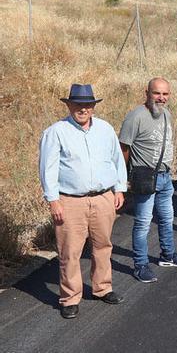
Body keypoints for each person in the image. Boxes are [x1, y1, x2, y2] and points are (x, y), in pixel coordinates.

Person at [38, 84, 127, 319]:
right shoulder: (56, 132)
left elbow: (117, 160)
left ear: (94, 106)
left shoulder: (105, 129)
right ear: (69, 105)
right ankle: (70, 297)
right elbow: (48, 169)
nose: (83, 109)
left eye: (88, 104)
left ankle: (102, 288)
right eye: (78, 104)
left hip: (103, 198)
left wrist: (119, 188)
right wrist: (53, 200)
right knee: (70, 251)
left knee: (103, 246)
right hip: (70, 201)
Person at [119, 78, 177, 283]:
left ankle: (168, 255)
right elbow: (123, 148)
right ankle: (140, 264)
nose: (161, 98)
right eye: (156, 93)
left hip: (165, 176)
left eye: (165, 94)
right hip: (144, 177)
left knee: (167, 217)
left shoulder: (167, 114)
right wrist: (124, 178)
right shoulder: (135, 117)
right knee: (143, 223)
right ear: (147, 93)